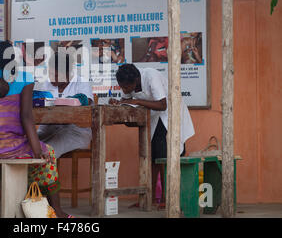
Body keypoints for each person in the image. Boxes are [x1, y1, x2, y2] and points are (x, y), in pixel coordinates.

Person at [0, 40, 71, 218]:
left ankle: (28, 199)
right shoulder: (25, 78)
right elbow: (26, 116)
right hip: (5, 145)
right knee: (48, 154)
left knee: (26, 155)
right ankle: (56, 210)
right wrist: (37, 150)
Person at [109, 63, 195, 208]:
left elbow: (163, 105)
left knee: (164, 158)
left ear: (136, 80)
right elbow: (127, 102)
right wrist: (119, 103)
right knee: (152, 158)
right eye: (122, 87)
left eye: (126, 87)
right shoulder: (128, 83)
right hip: (155, 119)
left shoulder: (151, 76)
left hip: (169, 115)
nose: (125, 90)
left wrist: (136, 101)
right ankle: (152, 198)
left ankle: (168, 198)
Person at [36, 51, 94, 158]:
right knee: (28, 144)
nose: (51, 77)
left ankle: (40, 172)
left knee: (45, 152)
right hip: (49, 129)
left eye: (56, 75)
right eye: (49, 73)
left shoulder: (81, 83)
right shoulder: (47, 84)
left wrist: (61, 101)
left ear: (67, 73)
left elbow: (86, 101)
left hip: (75, 132)